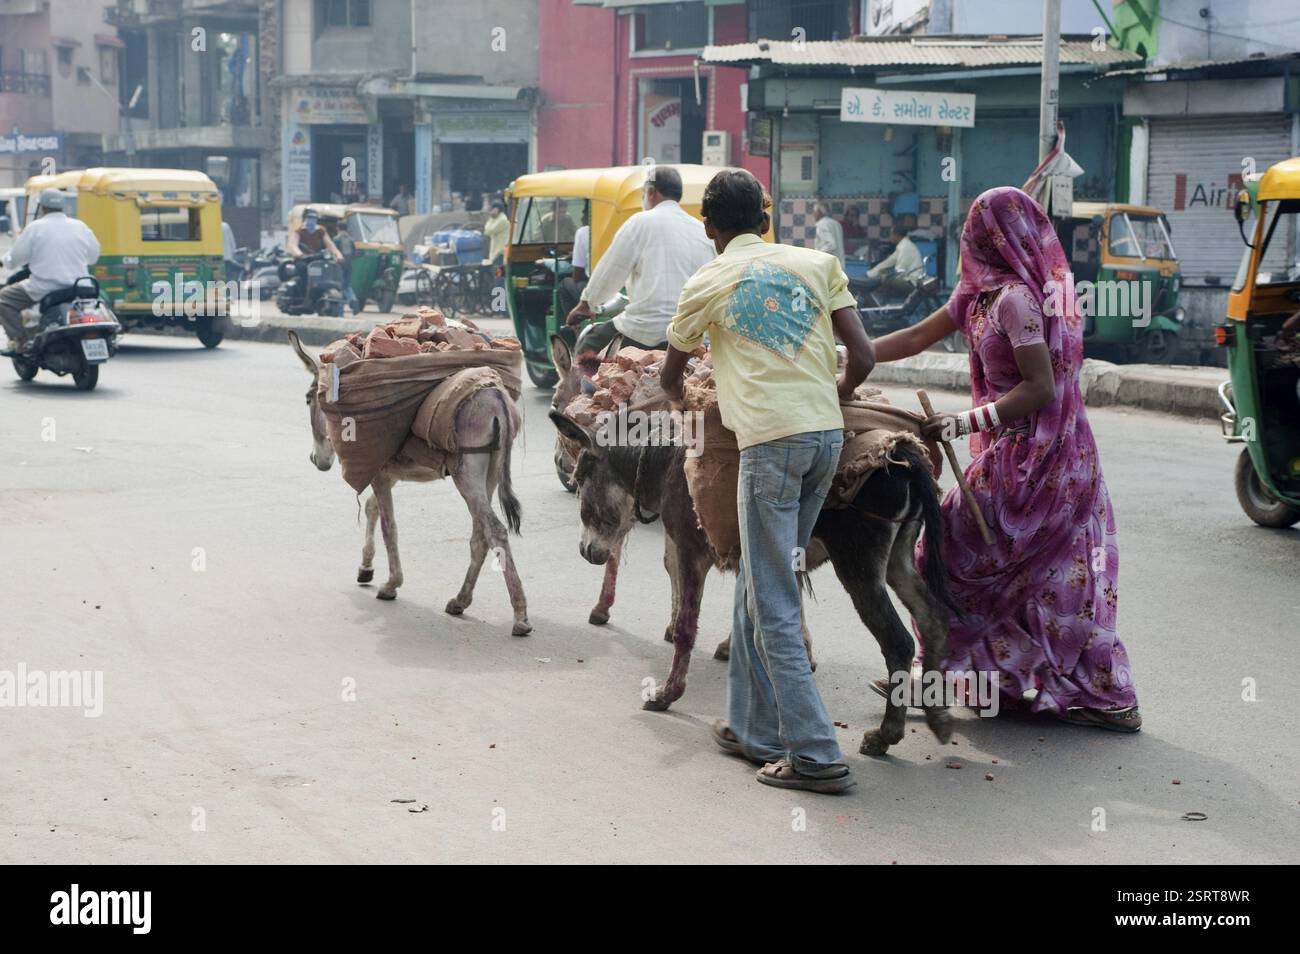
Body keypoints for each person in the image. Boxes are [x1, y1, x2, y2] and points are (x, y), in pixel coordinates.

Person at [871, 186, 1141, 732]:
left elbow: (1041, 388)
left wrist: (964, 422)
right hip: (1009, 451)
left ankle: (1100, 694)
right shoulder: (977, 294)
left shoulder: (1017, 300)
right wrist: (850, 351)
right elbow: (919, 335)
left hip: (1046, 459)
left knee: (1004, 566)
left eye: (977, 227)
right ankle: (979, 677)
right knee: (984, 563)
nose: (969, 237)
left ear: (997, 236)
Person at [660, 169, 876, 794]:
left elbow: (671, 378)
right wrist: (832, 395)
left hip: (771, 448)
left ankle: (815, 754)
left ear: (709, 227)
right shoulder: (817, 263)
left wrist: (687, 403)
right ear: (765, 216)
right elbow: (863, 358)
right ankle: (752, 727)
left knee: (773, 598)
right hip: (825, 439)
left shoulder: (708, 279)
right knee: (762, 576)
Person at [566, 166, 714, 352]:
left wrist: (587, 304)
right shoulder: (701, 231)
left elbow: (611, 270)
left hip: (645, 328)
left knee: (588, 346)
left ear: (651, 192)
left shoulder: (640, 222)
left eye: (643, 193)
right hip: (692, 334)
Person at [0, 189, 100, 353]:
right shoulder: (80, 226)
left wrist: (5, 261)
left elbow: (17, 258)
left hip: (45, 287)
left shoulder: (35, 228)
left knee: (4, 299)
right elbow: (93, 257)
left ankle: (20, 342)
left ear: (42, 208)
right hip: (79, 287)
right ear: (63, 207)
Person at [287, 207, 342, 305]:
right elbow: (293, 245)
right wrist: (299, 254)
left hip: (318, 258)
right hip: (304, 259)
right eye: (309, 218)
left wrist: (338, 255)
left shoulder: (321, 230)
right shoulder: (299, 231)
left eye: (314, 218)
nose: (312, 220)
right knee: (303, 269)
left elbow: (330, 245)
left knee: (328, 269)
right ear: (304, 219)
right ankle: (303, 295)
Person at [864, 218, 923, 295]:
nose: (890, 237)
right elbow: (887, 263)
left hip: (912, 282)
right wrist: (870, 274)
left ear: (897, 235)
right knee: (883, 276)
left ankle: (883, 301)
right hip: (907, 279)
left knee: (886, 279)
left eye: (891, 234)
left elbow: (900, 270)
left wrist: (883, 276)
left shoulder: (906, 247)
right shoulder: (902, 246)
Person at [558, 205, 590, 318]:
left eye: (584, 214)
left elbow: (577, 274)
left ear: (591, 215)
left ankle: (572, 322)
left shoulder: (583, 232)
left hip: (593, 288)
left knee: (564, 283)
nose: (581, 218)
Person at [483, 200, 510, 265]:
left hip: (500, 252)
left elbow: (488, 231)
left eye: (492, 209)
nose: (490, 211)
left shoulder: (502, 220)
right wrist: (491, 217)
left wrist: (491, 218)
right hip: (496, 251)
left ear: (497, 209)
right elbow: (486, 229)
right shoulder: (495, 218)